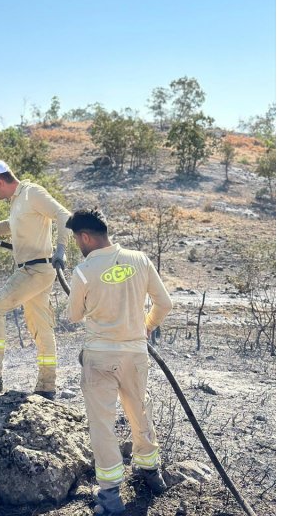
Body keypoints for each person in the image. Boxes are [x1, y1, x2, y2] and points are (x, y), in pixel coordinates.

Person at [64, 209, 172, 514]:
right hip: (136, 354)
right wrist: (146, 326)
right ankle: (151, 471)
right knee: (140, 411)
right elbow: (165, 304)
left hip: (100, 357)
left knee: (102, 424)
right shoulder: (140, 260)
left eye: (76, 239)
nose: (77, 245)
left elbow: (73, 316)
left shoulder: (83, 271)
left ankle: (110, 497)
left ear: (85, 236)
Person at [0, 159, 72, 400]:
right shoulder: (18, 201)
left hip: (36, 270)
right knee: (41, 326)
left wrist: (61, 250)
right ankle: (46, 387)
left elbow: (64, 215)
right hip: (34, 270)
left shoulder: (32, 193)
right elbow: (9, 226)